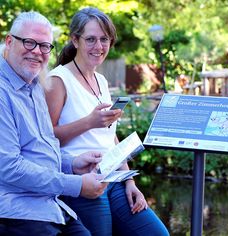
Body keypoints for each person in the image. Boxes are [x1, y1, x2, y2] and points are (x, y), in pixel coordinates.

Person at [44, 7, 169, 236]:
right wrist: (89, 122)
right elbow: (44, 137)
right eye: (90, 39)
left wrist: (130, 180)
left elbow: (110, 136)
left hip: (116, 179)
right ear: (75, 40)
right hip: (83, 182)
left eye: (104, 39)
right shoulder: (58, 80)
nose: (99, 47)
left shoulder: (101, 80)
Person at [0, 11, 109, 235]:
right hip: (15, 211)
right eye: (29, 43)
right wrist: (76, 185)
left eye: (44, 46)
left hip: (49, 205)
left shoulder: (35, 84)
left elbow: (40, 149)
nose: (37, 52)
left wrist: (72, 163)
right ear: (9, 42)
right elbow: (9, 168)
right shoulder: (3, 92)